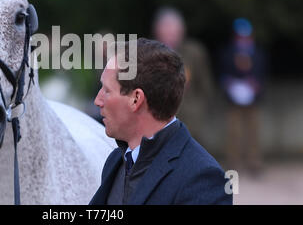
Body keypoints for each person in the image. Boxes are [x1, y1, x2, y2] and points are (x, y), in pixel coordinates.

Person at [89, 38, 232, 205]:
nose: (97, 101)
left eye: (107, 90)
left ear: (136, 99)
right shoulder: (115, 161)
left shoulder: (201, 178)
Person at [152, 6, 214, 145]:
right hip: (159, 120)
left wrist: (200, 109)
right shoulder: (149, 54)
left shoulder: (194, 52)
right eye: (166, 29)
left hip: (190, 119)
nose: (170, 34)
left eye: (173, 29)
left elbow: (205, 84)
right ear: (157, 30)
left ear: (182, 31)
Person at [219, 18, 266, 175]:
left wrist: (257, 84)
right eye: (240, 36)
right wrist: (229, 84)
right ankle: (233, 163)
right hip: (234, 98)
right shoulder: (228, 52)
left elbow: (263, 74)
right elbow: (223, 74)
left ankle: (254, 162)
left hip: (253, 98)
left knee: (253, 131)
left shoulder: (258, 53)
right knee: (234, 132)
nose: (243, 39)